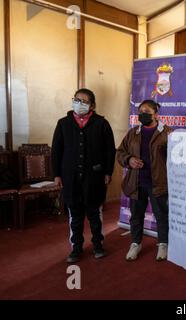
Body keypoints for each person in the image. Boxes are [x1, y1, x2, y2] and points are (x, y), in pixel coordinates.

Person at [52, 88, 116, 263]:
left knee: (95, 213)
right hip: (70, 177)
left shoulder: (102, 124)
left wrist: (108, 172)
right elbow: (56, 151)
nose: (79, 103)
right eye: (77, 99)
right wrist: (56, 174)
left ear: (92, 105)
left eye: (84, 101)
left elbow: (110, 151)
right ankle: (76, 248)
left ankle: (98, 245)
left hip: (94, 177)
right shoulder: (63, 123)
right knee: (75, 215)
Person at [117, 99, 173, 261]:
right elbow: (120, 153)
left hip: (158, 182)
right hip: (137, 182)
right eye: (140, 112)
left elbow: (177, 157)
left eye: (146, 112)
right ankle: (135, 243)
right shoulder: (133, 133)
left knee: (161, 214)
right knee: (136, 215)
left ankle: (163, 243)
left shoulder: (168, 133)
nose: (142, 115)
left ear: (156, 114)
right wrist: (129, 160)